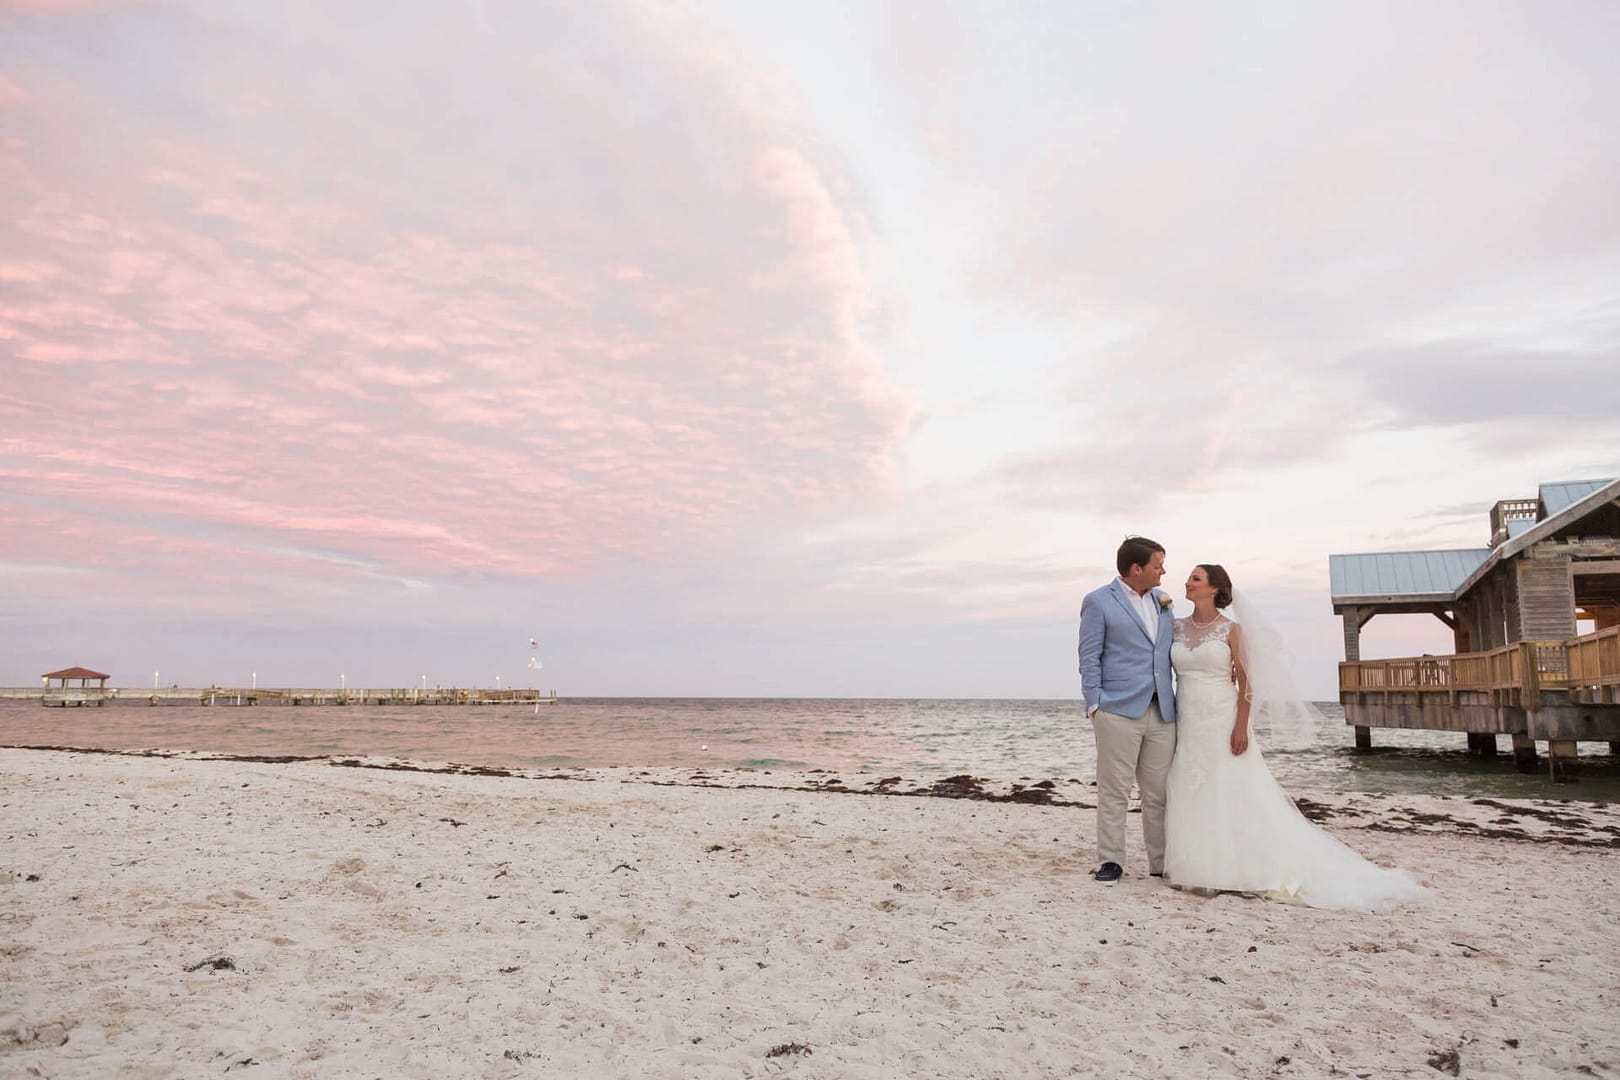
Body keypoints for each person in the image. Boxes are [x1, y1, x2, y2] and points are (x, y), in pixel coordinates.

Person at [1163, 563, 1428, 910]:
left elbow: (1247, 684)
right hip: (1188, 720)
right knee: (1192, 789)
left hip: (1221, 719)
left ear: (1214, 589)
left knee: (1232, 790)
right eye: (1189, 577)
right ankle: (1196, 865)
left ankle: (1240, 867)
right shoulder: (1176, 628)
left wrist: (1241, 726)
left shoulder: (1232, 630)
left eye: (1195, 578)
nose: (1187, 582)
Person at [1077, 536, 1177, 884]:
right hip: (1116, 710)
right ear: (1137, 568)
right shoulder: (1098, 601)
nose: (1163, 570)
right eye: (1158, 564)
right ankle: (1111, 861)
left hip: (1162, 710)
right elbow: (1089, 658)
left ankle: (1161, 862)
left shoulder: (1163, 601)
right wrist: (1095, 705)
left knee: (1159, 792)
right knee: (1114, 790)